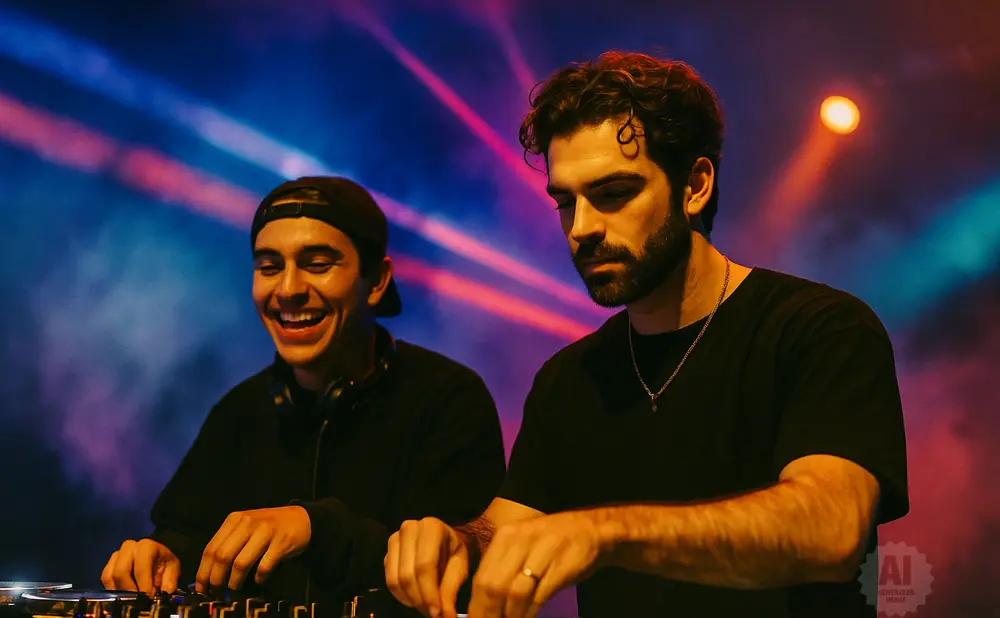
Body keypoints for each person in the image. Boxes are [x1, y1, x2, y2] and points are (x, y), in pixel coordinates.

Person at [383, 52, 909, 618]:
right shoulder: (570, 378)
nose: (581, 227)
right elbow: (512, 527)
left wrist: (604, 533)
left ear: (695, 186)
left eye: (612, 194)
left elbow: (831, 529)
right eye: (566, 201)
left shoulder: (817, 328)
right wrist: (457, 544)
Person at [100, 176, 507, 611]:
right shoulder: (240, 411)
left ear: (376, 281)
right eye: (269, 266)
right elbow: (183, 534)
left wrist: (317, 527)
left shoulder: (448, 399)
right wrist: (160, 557)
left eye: (317, 263)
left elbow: (462, 568)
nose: (288, 289)